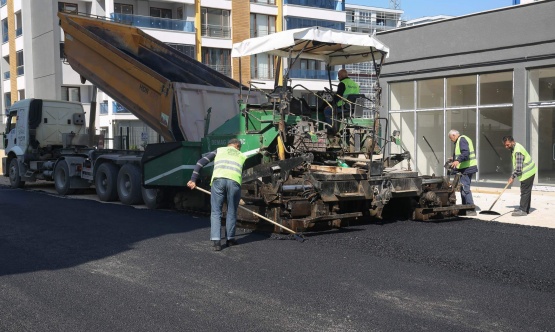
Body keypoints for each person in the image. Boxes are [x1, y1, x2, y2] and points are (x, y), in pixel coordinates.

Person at [187, 138, 246, 251]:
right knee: (232, 211)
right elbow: (239, 173)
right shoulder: (242, 155)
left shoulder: (219, 150)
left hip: (218, 182)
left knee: (216, 212)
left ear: (228, 145)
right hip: (234, 182)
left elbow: (200, 162)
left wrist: (193, 179)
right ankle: (230, 240)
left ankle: (216, 242)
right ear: (238, 146)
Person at [502, 136, 537, 216]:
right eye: (505, 145)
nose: (506, 147)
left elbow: (518, 169)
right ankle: (526, 209)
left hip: (528, 172)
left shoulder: (518, 151)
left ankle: (523, 210)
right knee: (526, 191)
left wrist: (512, 177)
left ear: (512, 142)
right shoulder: (515, 147)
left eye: (508, 145)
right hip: (528, 171)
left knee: (524, 191)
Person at [448, 129, 478, 216]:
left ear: (454, 135)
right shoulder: (461, 140)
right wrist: (453, 159)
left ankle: (470, 208)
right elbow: (462, 153)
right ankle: (465, 208)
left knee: (465, 188)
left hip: (467, 168)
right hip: (465, 168)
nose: (451, 140)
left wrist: (457, 160)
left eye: (451, 138)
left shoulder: (462, 139)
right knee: (462, 188)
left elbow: (466, 153)